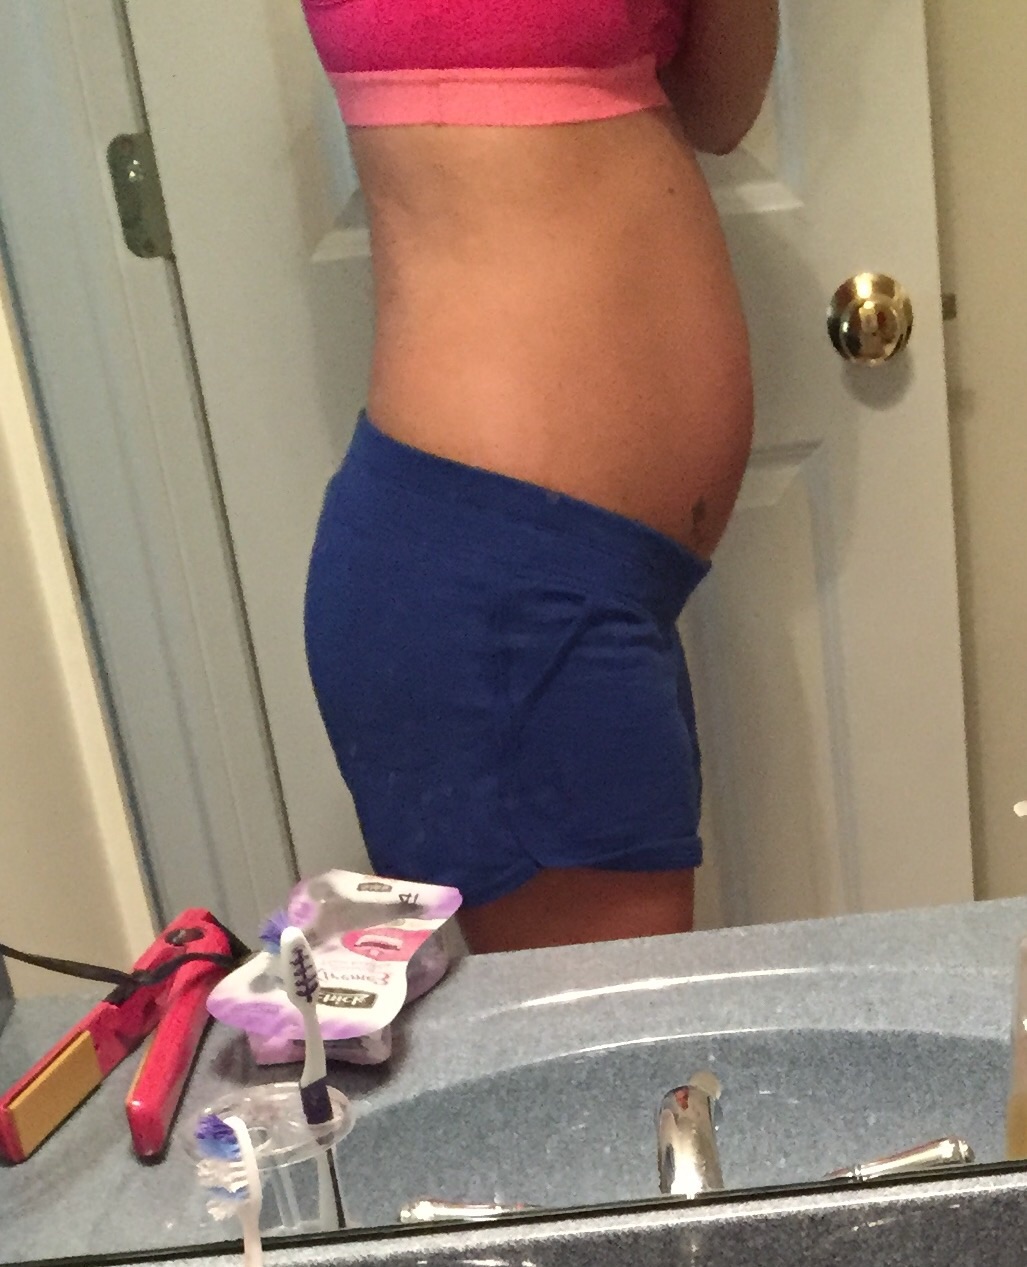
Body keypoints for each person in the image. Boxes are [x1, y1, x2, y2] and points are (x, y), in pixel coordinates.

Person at [301, 0, 779, 953]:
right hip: (499, 596)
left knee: (623, 1026)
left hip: (561, 586)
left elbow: (720, 109)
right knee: (615, 1037)